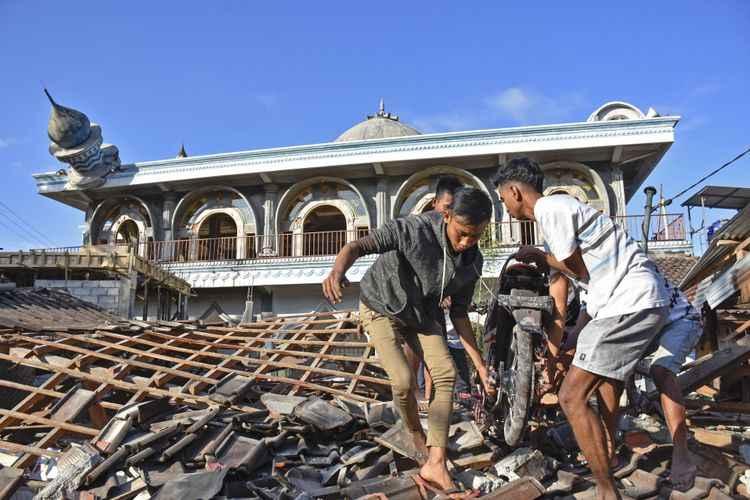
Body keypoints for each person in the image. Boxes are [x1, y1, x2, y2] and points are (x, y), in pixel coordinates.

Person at [493, 157, 669, 500]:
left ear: (515, 191)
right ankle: (608, 454)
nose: (505, 206)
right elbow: (588, 280)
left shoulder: (550, 208)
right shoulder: (566, 210)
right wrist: (568, 341)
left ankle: (606, 490)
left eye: (503, 198)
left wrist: (537, 255)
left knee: (571, 397)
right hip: (631, 300)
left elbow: (576, 268)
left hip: (629, 300)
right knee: (602, 382)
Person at [322, 187, 496, 497]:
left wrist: (480, 366)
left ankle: (436, 462)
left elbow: (459, 314)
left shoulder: (471, 261)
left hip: (422, 314)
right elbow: (357, 246)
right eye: (462, 233)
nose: (467, 242)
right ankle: (415, 433)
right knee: (403, 381)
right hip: (381, 305)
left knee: (445, 374)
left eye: (476, 236)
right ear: (446, 216)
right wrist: (337, 271)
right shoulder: (411, 230)